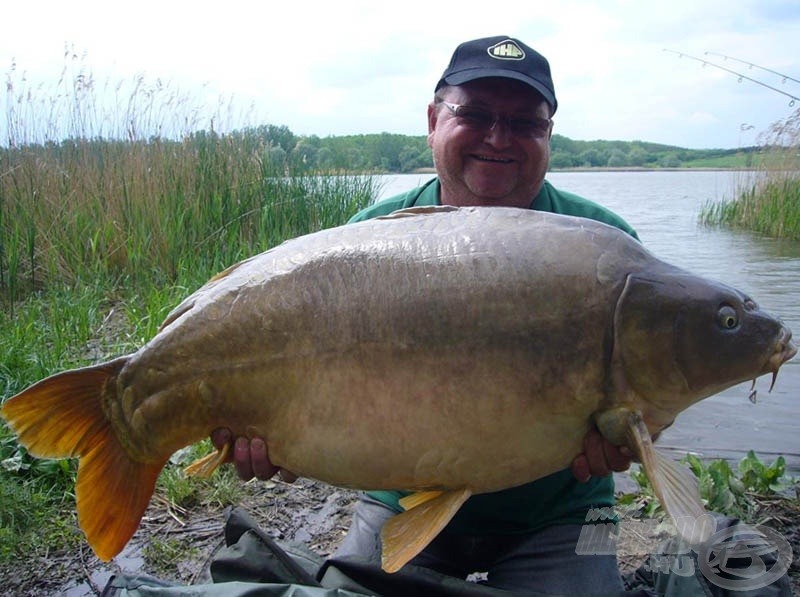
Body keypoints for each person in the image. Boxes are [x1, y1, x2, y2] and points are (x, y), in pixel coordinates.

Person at [212, 36, 637, 594]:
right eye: (475, 114)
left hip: (567, 511)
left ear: (548, 135)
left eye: (525, 123)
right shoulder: (365, 241)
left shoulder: (606, 248)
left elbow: (640, 414)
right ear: (434, 119)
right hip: (399, 497)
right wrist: (277, 439)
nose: (498, 136)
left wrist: (631, 439)